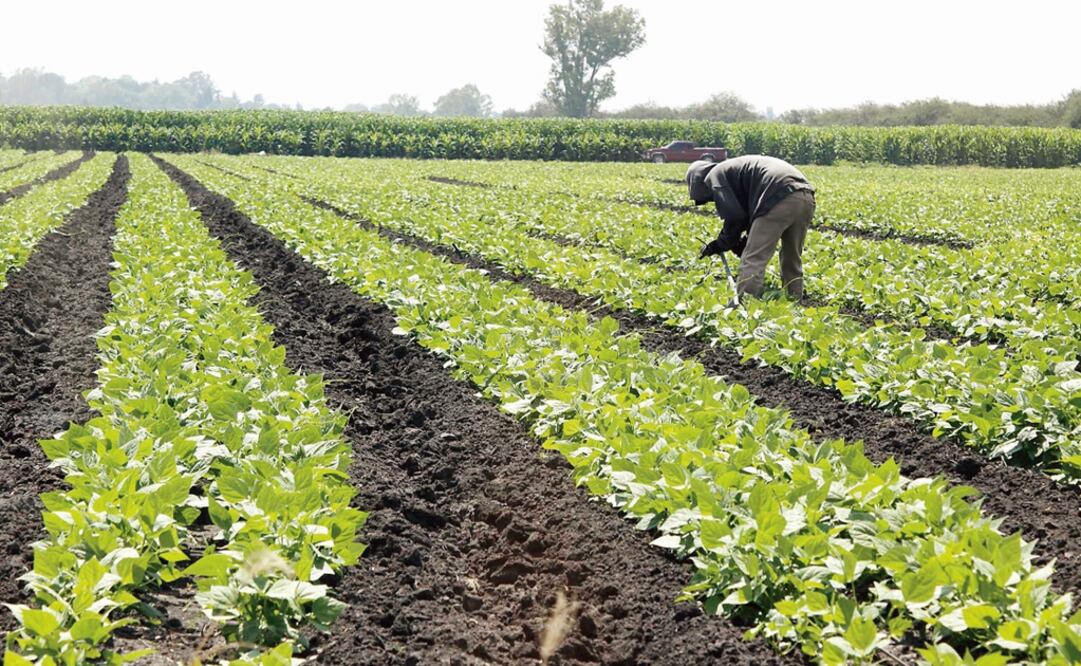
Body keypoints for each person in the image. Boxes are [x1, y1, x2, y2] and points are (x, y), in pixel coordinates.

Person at [686, 155, 816, 301]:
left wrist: (720, 244)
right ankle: (794, 299)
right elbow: (747, 213)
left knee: (753, 259)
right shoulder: (732, 169)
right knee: (791, 256)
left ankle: (746, 304)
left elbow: (735, 217)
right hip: (805, 195)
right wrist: (739, 241)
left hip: (778, 195)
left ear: (698, 182)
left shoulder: (715, 176)